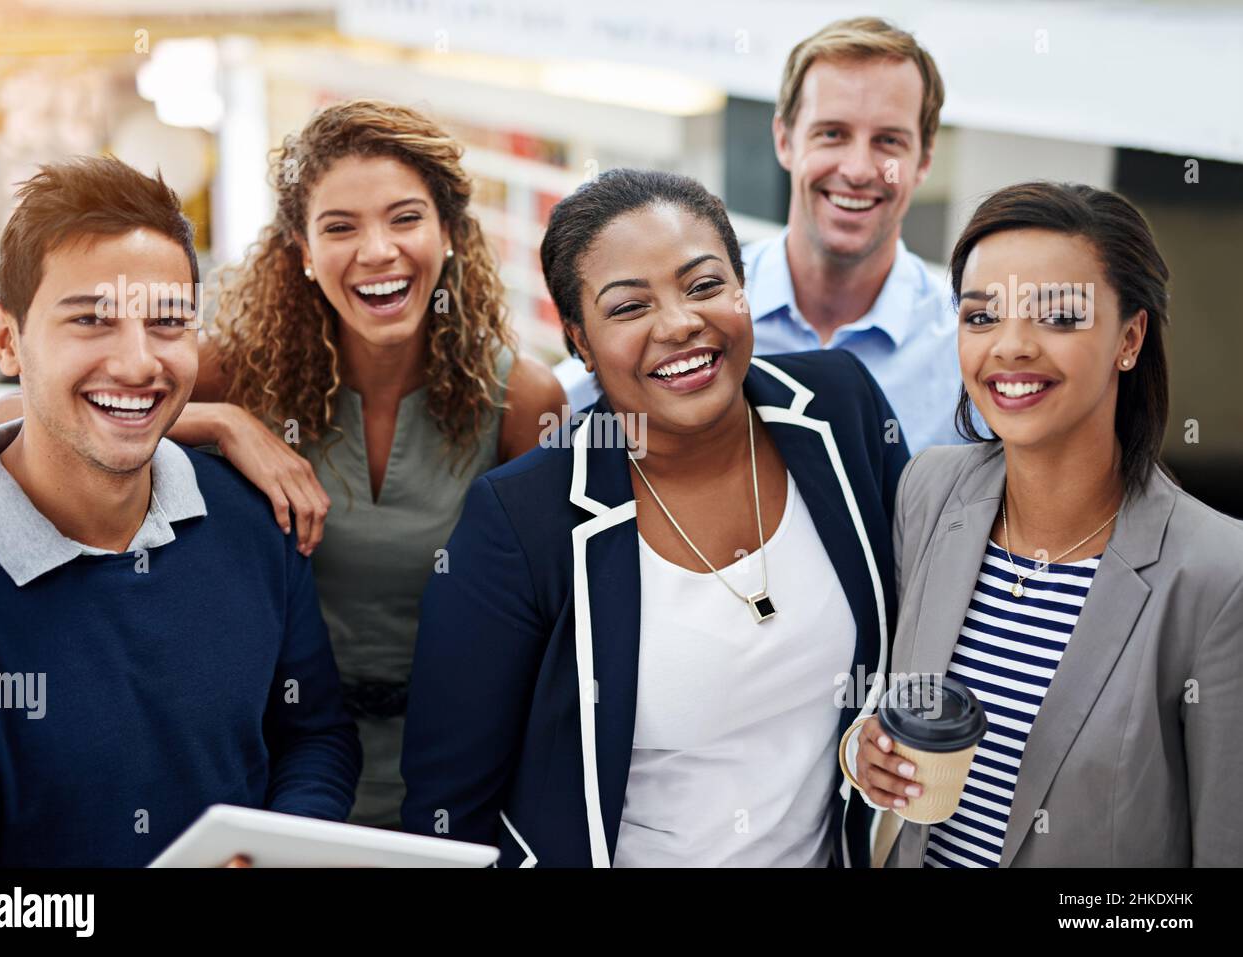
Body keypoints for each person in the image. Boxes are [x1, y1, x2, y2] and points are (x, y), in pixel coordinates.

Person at [0, 100, 566, 829]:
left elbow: (549, 614)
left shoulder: (522, 396)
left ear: (450, 234)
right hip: (290, 752)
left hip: (456, 753)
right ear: (301, 249)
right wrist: (220, 418)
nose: (376, 250)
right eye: (339, 226)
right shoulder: (234, 373)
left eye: (405, 218)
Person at [401, 169, 908, 867]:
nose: (679, 324)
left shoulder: (842, 406)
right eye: (630, 307)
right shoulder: (519, 522)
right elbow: (447, 814)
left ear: (742, 289)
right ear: (579, 339)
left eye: (704, 285)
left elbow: (910, 629)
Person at [0, 156, 360, 867]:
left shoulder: (251, 518)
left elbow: (314, 736)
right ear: (8, 339)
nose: (138, 363)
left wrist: (277, 851)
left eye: (168, 321)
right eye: (91, 320)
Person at [848, 182, 1243, 867]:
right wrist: (866, 750)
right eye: (980, 317)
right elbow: (896, 696)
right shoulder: (930, 489)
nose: (1010, 347)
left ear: (1130, 337)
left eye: (1058, 317)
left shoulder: (1217, 574)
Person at [555, 16, 972, 452]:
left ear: (924, 160)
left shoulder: (961, 350)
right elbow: (557, 405)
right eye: (832, 134)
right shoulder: (702, 307)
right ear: (784, 139)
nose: (857, 169)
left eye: (889, 142)